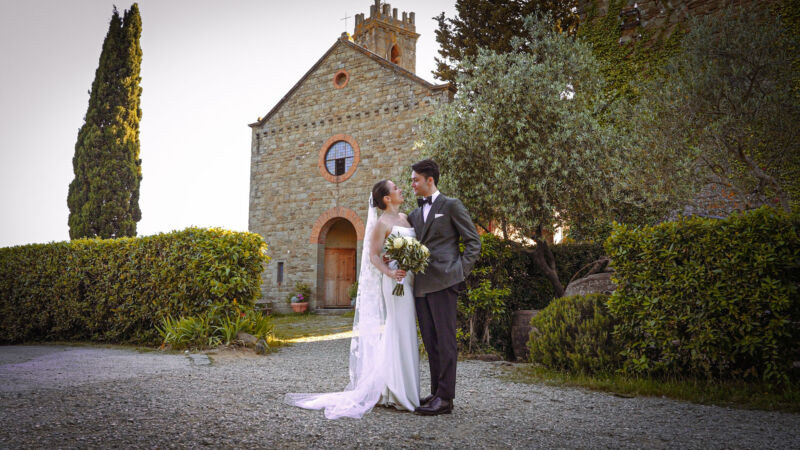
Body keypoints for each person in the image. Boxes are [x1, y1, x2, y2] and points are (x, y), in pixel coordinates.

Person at [284, 180, 420, 419]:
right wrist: (389, 272)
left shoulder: (407, 218)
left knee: (404, 330)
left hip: (408, 279)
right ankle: (399, 392)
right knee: (399, 328)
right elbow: (373, 256)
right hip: (395, 282)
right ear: (386, 198)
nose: (400, 189)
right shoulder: (382, 223)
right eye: (395, 187)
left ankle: (395, 388)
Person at [408, 159, 481, 416]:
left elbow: (473, 241)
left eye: (416, 179)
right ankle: (437, 392)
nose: (412, 184)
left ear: (430, 180)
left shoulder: (451, 205)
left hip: (445, 281)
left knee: (447, 340)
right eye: (412, 180)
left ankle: (446, 398)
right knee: (430, 341)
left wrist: (459, 272)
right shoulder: (414, 215)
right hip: (420, 286)